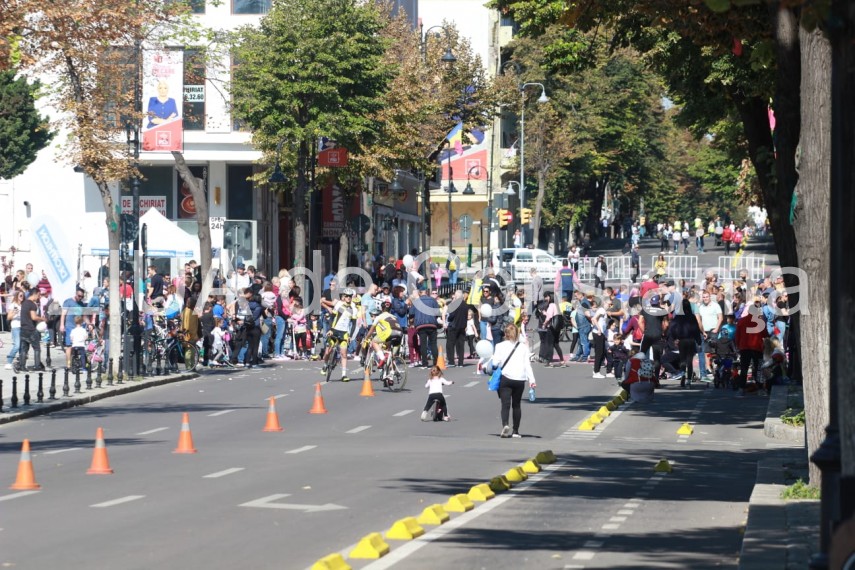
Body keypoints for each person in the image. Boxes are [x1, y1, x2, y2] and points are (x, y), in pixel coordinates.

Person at [488, 323, 536, 438]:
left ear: (505, 334)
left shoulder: (500, 346)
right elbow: (527, 365)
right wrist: (532, 380)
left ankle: (505, 424)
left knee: (505, 404)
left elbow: (495, 363)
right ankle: (515, 431)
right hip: (520, 379)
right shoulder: (523, 347)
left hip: (506, 378)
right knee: (516, 405)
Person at [322, 288, 357, 381]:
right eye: (347, 296)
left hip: (344, 332)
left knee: (343, 354)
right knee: (327, 352)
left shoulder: (354, 309)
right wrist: (330, 329)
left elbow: (354, 324)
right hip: (334, 330)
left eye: (350, 296)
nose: (348, 298)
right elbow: (332, 318)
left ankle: (344, 375)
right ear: (344, 297)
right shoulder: (339, 305)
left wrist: (350, 336)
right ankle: (325, 365)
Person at [16, 289, 46, 373]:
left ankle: (22, 366)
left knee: (24, 349)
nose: (39, 297)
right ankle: (37, 366)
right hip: (31, 329)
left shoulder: (24, 303)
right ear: (35, 294)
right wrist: (42, 319)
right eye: (39, 295)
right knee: (36, 348)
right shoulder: (32, 304)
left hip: (23, 329)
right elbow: (33, 317)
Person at [60, 288, 88, 368]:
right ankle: (68, 364)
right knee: (69, 346)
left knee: (79, 345)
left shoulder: (81, 304)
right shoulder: (68, 302)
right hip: (69, 326)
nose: (80, 298)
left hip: (79, 327)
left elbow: (84, 316)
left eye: (82, 296)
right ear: (76, 294)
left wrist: (89, 324)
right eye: (79, 296)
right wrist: (62, 325)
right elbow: (63, 314)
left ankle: (78, 362)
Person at [444, 290, 468, 367]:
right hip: (462, 326)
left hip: (454, 326)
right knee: (461, 345)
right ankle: (461, 362)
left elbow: (451, 315)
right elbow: (466, 316)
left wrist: (448, 319)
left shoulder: (455, 304)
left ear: (456, 296)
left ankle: (451, 362)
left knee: (450, 344)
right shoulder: (465, 304)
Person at [4, 290, 23, 369]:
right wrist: (15, 312)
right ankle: (9, 362)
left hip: (23, 326)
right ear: (17, 296)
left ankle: (22, 363)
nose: (22, 297)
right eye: (20, 295)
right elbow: (8, 317)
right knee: (17, 345)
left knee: (22, 346)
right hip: (15, 326)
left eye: (23, 295)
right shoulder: (13, 305)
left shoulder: (23, 305)